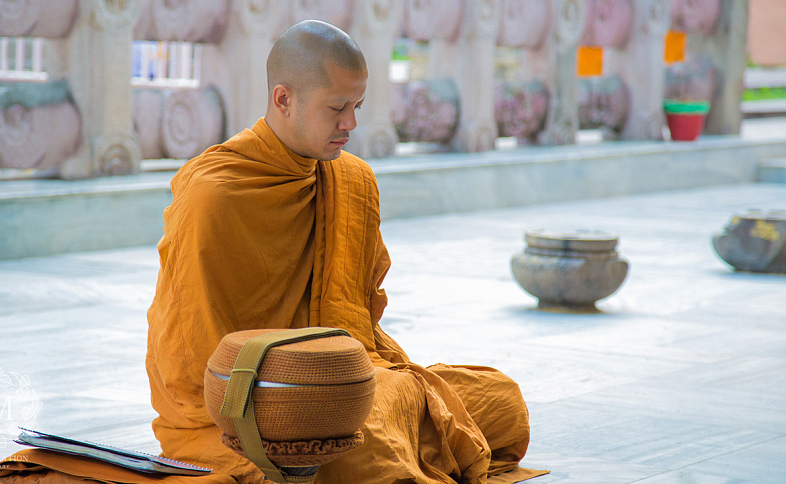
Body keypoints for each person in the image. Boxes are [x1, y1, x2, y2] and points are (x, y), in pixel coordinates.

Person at [145, 19, 545, 484]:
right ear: (283, 99)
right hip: (250, 408)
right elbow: (195, 362)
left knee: (500, 400)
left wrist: (346, 384)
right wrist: (296, 398)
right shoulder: (215, 195)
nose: (351, 123)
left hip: (345, 381)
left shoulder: (351, 179)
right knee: (357, 448)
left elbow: (361, 329)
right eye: (337, 108)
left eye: (357, 106)